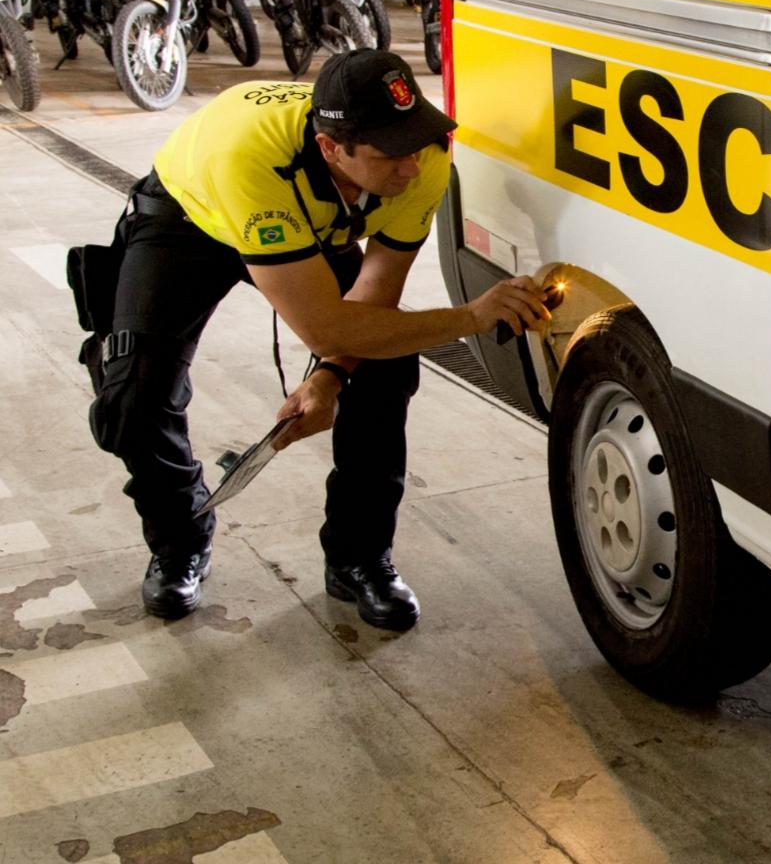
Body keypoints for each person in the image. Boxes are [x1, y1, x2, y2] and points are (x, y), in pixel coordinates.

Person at [87, 51, 549, 630]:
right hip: (194, 219)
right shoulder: (248, 159)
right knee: (132, 396)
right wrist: (471, 317)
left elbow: (375, 292)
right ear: (333, 148)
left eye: (416, 142)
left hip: (312, 216)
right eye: (391, 154)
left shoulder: (421, 157)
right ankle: (180, 537)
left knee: (382, 366)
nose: (412, 167)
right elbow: (326, 326)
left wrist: (331, 376)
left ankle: (358, 557)